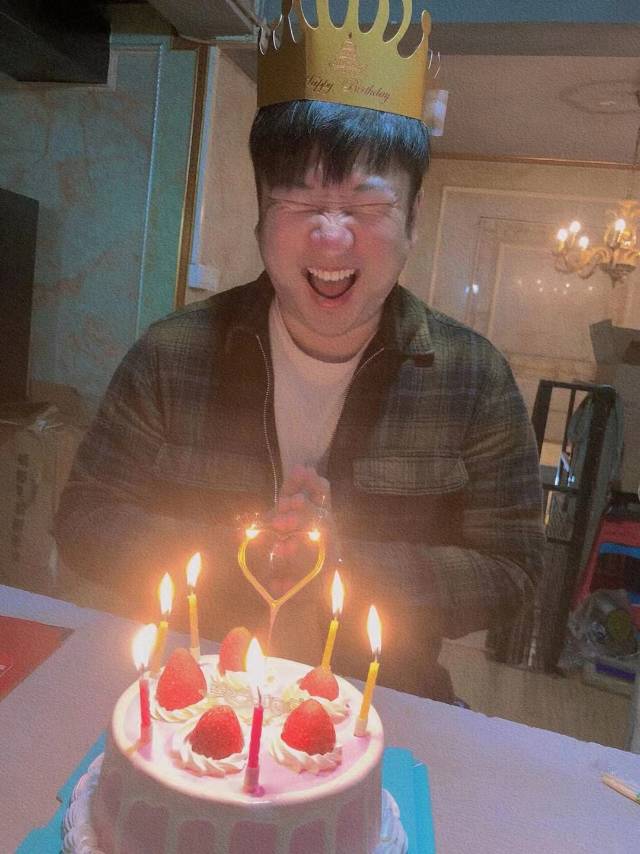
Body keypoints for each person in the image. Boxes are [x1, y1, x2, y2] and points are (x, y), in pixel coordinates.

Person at [54, 1, 545, 702]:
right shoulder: (171, 354)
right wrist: (241, 551)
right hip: (200, 699)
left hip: (382, 701)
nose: (331, 236)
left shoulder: (474, 377)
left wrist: (344, 562)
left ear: (412, 221)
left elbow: (515, 572)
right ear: (261, 217)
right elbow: (85, 520)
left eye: (366, 207)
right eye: (300, 203)